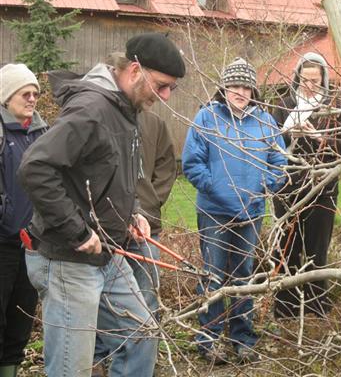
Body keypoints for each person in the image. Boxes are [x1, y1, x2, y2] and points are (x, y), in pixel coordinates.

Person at [18, 33, 185, 377]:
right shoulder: (91, 109)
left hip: (108, 253)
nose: (166, 96)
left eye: (172, 88)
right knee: (71, 369)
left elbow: (111, 175)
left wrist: (132, 211)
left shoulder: (126, 110)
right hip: (68, 259)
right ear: (135, 70)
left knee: (142, 333)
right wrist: (77, 231)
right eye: (162, 85)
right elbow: (36, 167)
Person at [182, 57, 287, 364]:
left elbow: (279, 163)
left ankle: (242, 337)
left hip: (252, 213)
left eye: (246, 86)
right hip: (215, 212)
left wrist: (264, 189)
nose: (240, 91)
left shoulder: (266, 122)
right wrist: (217, 190)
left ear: (253, 90)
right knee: (214, 275)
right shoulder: (206, 118)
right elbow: (192, 164)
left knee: (243, 276)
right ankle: (209, 338)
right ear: (223, 88)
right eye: (234, 86)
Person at [93, 53, 178, 375]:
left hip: (146, 223)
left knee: (145, 292)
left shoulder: (155, 124)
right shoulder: (103, 117)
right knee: (109, 296)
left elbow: (166, 167)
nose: (161, 96)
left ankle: (144, 354)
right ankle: (105, 355)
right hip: (110, 226)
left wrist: (151, 202)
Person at [270, 52, 341, 318]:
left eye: (315, 80)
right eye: (305, 80)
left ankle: (317, 307)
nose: (310, 85)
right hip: (288, 187)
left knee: (318, 249)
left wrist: (319, 138)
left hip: (323, 186)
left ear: (324, 79)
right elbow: (269, 145)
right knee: (288, 247)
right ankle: (286, 308)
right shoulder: (284, 105)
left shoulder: (333, 109)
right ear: (297, 78)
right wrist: (287, 134)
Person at [0, 64, 47, 377]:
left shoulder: (43, 133)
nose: (32, 99)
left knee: (21, 316)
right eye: (24, 93)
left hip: (32, 243)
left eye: (35, 94)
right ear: (6, 97)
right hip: (2, 242)